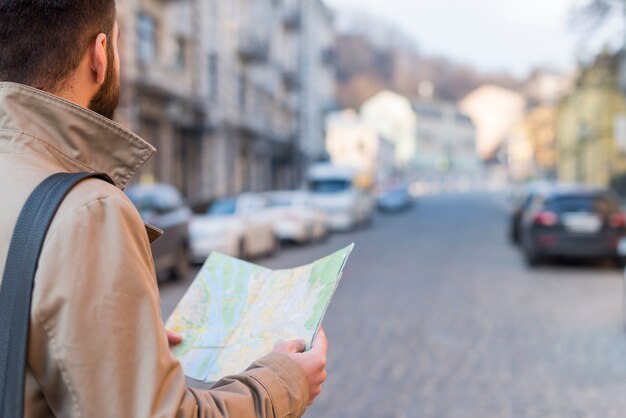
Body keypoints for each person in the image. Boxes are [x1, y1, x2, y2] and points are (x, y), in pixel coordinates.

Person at [0, 1, 328, 417]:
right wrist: (284, 381)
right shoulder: (85, 210)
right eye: (122, 43)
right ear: (100, 55)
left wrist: (124, 340)